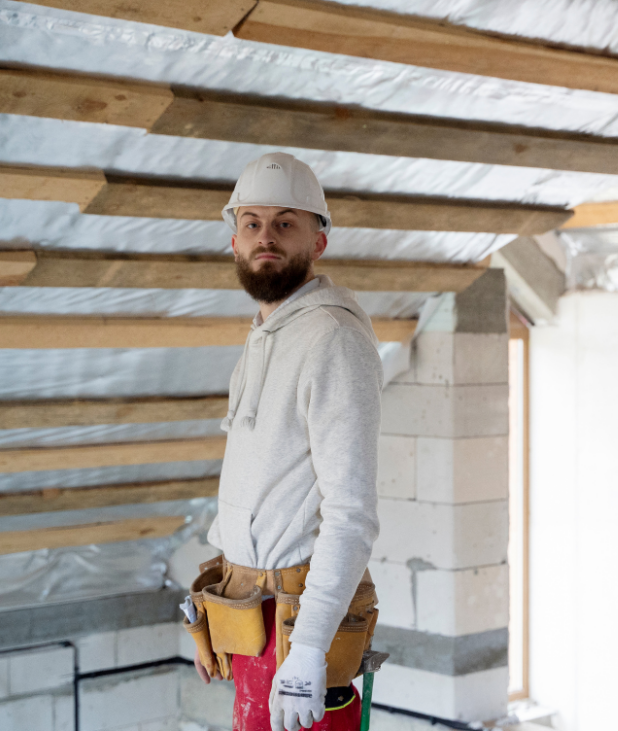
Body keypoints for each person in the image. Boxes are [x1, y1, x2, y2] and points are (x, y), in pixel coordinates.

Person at [191, 152, 383, 731]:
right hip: (251, 615)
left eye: (285, 222)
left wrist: (307, 652)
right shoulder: (263, 336)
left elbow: (351, 514)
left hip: (297, 628)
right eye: (251, 223)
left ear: (317, 242)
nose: (265, 237)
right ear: (234, 242)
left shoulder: (332, 338)